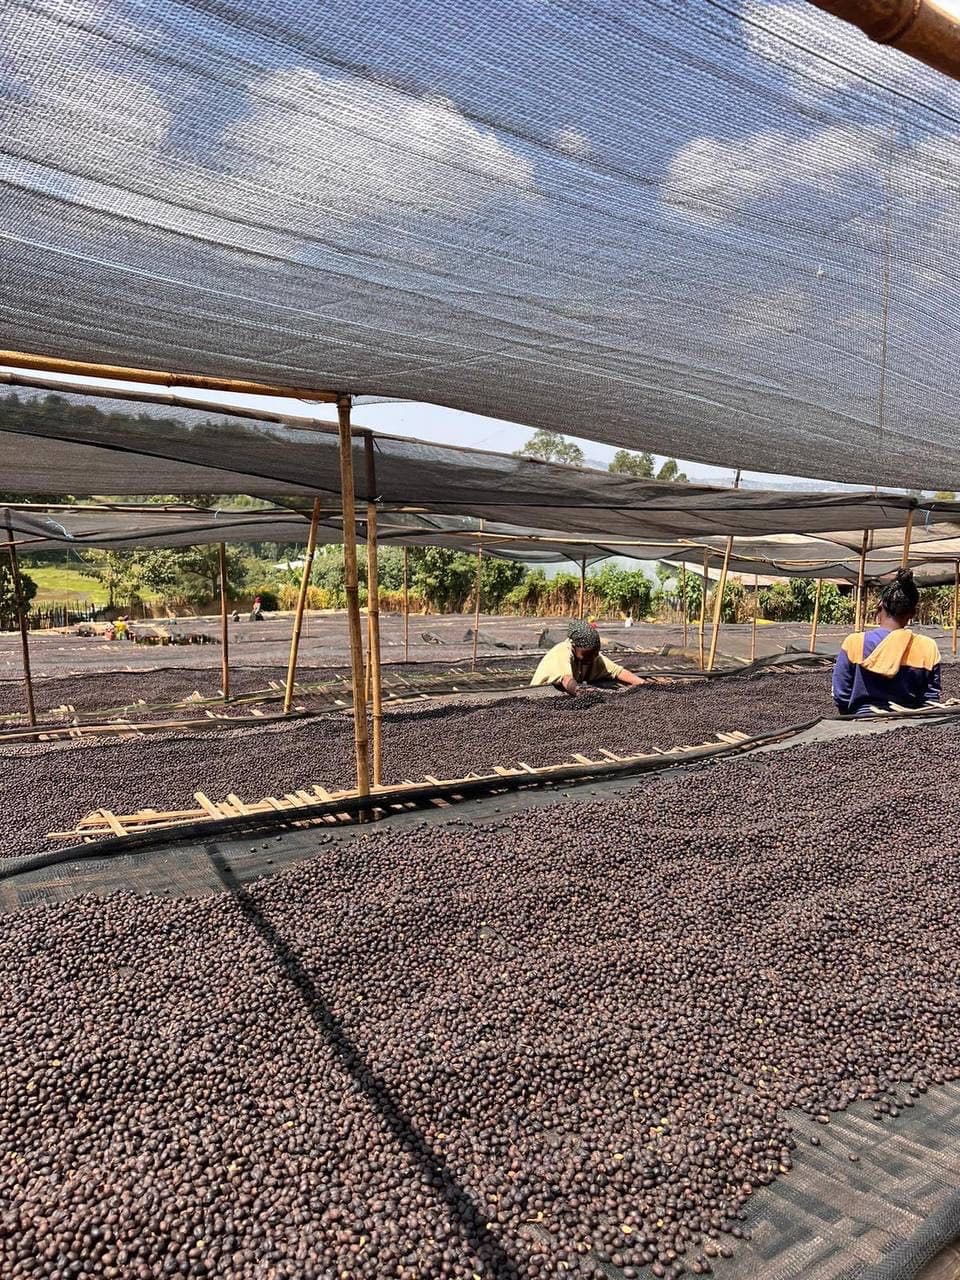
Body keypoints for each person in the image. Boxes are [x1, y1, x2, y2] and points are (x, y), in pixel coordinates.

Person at [832, 569, 942, 716]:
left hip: (861, 721)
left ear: (879, 607)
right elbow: (930, 701)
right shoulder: (927, 647)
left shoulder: (855, 643)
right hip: (911, 724)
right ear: (912, 613)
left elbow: (841, 696)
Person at [531, 619, 644, 696]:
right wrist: (580, 691)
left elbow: (617, 671)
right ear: (574, 646)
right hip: (539, 694)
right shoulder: (562, 652)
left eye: (595, 654)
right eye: (588, 655)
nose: (593, 658)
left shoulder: (593, 657)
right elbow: (566, 679)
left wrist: (644, 684)